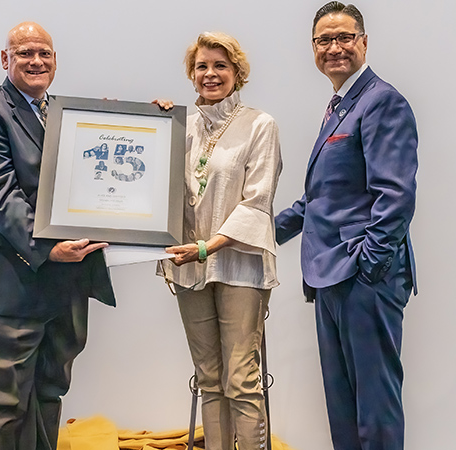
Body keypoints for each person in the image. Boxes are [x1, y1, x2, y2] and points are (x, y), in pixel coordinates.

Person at [0, 22, 115, 450]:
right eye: (24, 52)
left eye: (44, 53)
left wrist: (140, 124)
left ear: (55, 61)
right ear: (5, 59)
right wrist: (48, 247)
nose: (36, 61)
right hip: (7, 286)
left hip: (65, 285)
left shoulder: (68, 115)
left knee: (48, 396)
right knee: (6, 407)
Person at [273, 2, 418, 449]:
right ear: (313, 48)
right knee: (343, 412)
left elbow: (395, 195)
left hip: (363, 278)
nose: (334, 47)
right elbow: (319, 201)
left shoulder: (381, 101)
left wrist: (369, 265)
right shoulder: (338, 107)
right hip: (328, 277)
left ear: (364, 43)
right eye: (324, 40)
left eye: (344, 37)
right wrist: (250, 234)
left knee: (374, 411)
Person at [156, 32, 283, 450]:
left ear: (237, 72)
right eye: (202, 66)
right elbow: (152, 183)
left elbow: (257, 201)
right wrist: (150, 125)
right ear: (191, 75)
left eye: (220, 65)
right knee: (208, 377)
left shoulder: (259, 125)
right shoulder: (181, 126)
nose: (210, 74)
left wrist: (207, 247)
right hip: (188, 267)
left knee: (241, 379)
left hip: (239, 264)